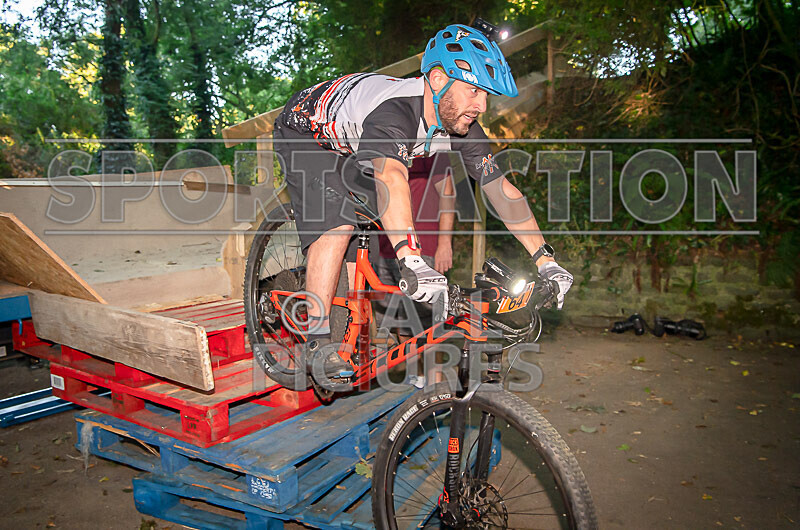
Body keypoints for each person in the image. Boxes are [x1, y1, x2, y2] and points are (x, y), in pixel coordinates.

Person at [273, 23, 574, 380]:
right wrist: (412, 260)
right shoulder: (395, 114)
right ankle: (317, 342)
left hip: (351, 140)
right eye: (473, 91)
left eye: (486, 95)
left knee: (370, 223)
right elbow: (391, 177)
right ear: (436, 79)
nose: (482, 105)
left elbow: (501, 190)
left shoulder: (460, 123)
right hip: (306, 133)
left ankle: (343, 321)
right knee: (338, 224)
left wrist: (545, 260)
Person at [374, 156, 454, 340]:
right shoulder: (384, 143)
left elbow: (447, 193)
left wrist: (444, 243)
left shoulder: (431, 145)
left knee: (429, 327)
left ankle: (434, 370)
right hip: (387, 249)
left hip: (423, 249)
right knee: (402, 327)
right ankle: (412, 370)